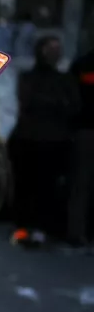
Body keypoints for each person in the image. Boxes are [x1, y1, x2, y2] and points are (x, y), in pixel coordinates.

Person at [9, 36, 83, 247]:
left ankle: (40, 230)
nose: (54, 53)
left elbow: (73, 107)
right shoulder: (29, 77)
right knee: (25, 186)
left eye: (57, 49)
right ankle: (23, 228)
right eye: (50, 48)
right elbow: (29, 103)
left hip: (54, 143)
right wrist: (55, 105)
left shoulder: (65, 80)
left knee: (47, 189)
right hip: (28, 141)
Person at [68, 46, 94, 247]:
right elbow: (72, 97)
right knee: (82, 183)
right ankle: (77, 232)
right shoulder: (85, 64)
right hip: (87, 129)